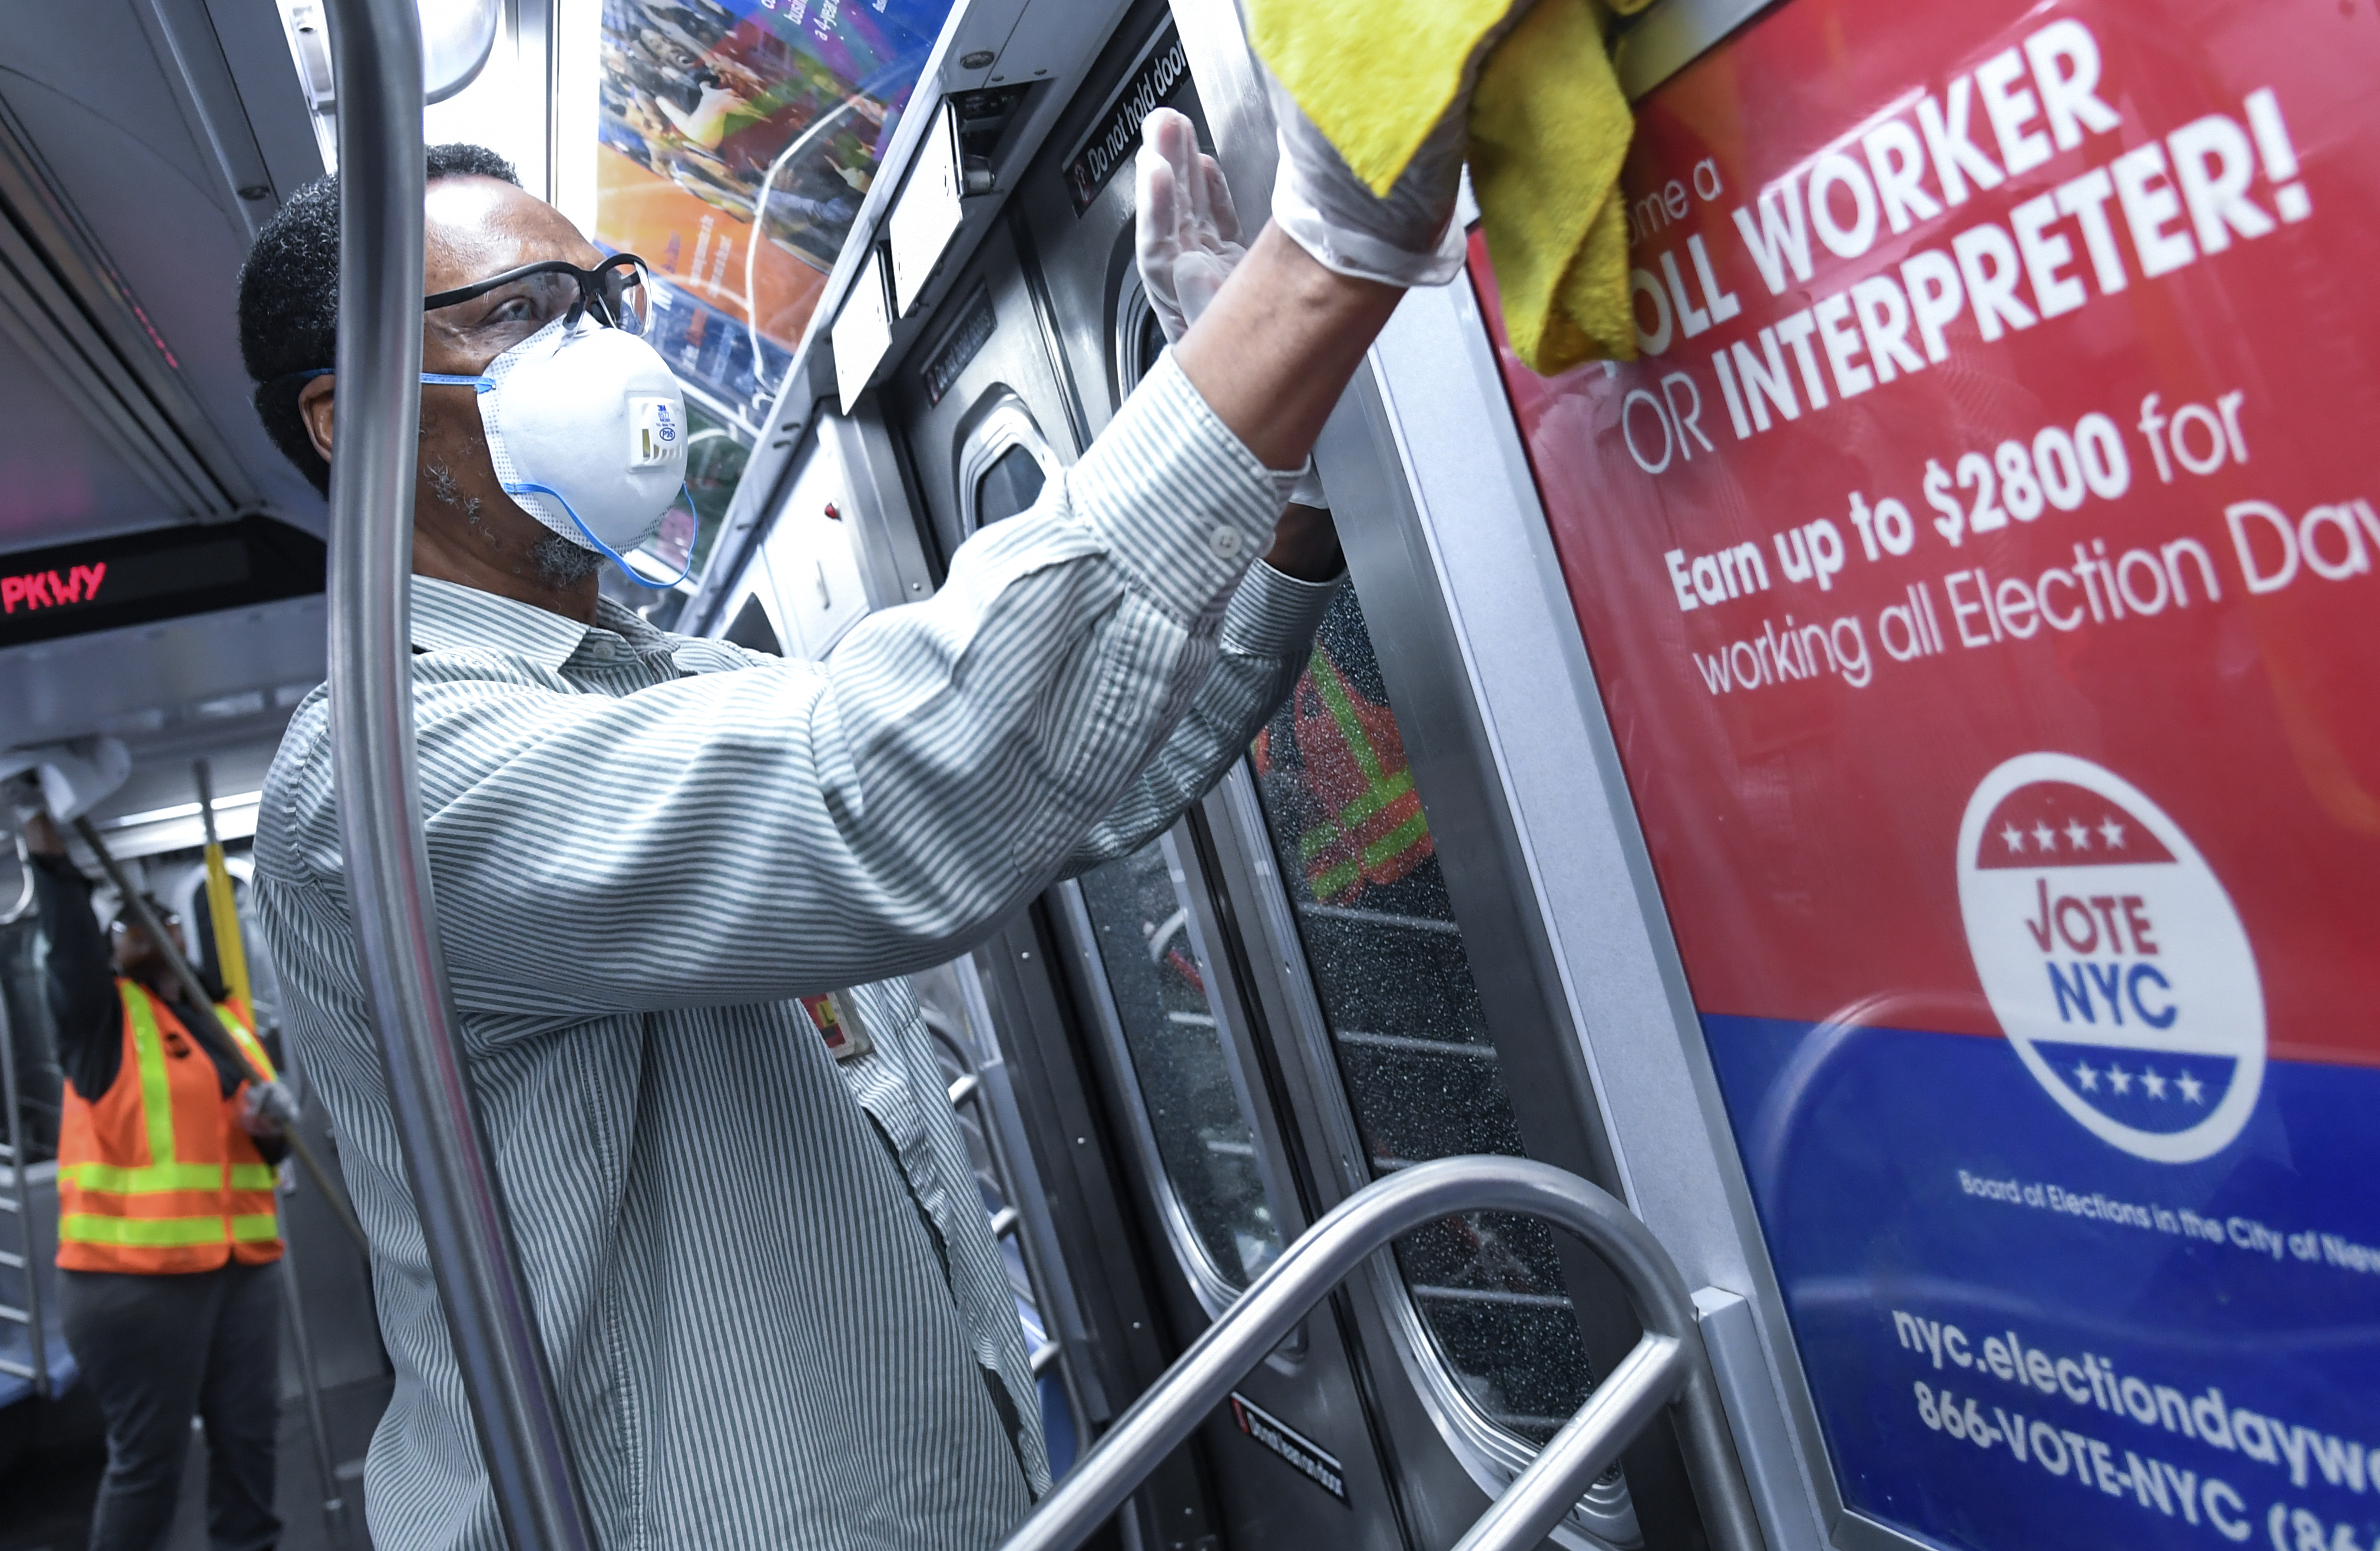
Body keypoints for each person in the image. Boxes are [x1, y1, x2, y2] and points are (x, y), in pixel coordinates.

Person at [236, 110, 1465, 1550]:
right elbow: (894, 791)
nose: (604, 350)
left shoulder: (679, 678)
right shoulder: (381, 778)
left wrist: (1286, 490)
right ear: (353, 417)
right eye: (523, 313)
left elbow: (1062, 777)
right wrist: (1303, 285)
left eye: (606, 300)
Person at [22, 815, 290, 1551]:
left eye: (164, 913)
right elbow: (69, 947)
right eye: (128, 922)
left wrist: (270, 1130)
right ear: (114, 947)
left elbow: (246, 1147)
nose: (151, 924)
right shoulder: (104, 1021)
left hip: (243, 1263)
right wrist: (47, 847)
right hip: (135, 1280)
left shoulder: (224, 1017)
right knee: (151, 1465)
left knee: (252, 1444)